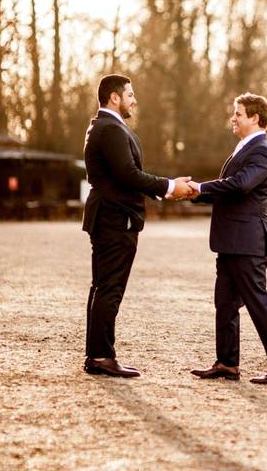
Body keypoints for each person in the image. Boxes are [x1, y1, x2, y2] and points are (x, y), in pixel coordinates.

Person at [82, 74, 195, 377]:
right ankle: (101, 356)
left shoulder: (106, 128)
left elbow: (127, 174)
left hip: (110, 217)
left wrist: (169, 187)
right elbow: (129, 175)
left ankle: (97, 354)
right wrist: (170, 186)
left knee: (103, 287)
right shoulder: (109, 129)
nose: (134, 100)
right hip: (114, 219)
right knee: (109, 288)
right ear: (114, 97)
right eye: (130, 94)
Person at [188, 93, 267, 384]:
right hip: (231, 241)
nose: (232, 118)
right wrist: (191, 194)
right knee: (224, 302)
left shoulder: (262, 151)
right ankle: (227, 363)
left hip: (248, 241)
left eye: (238, 113)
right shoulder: (244, 148)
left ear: (255, 119)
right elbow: (229, 191)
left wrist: (199, 188)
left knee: (258, 302)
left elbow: (240, 186)